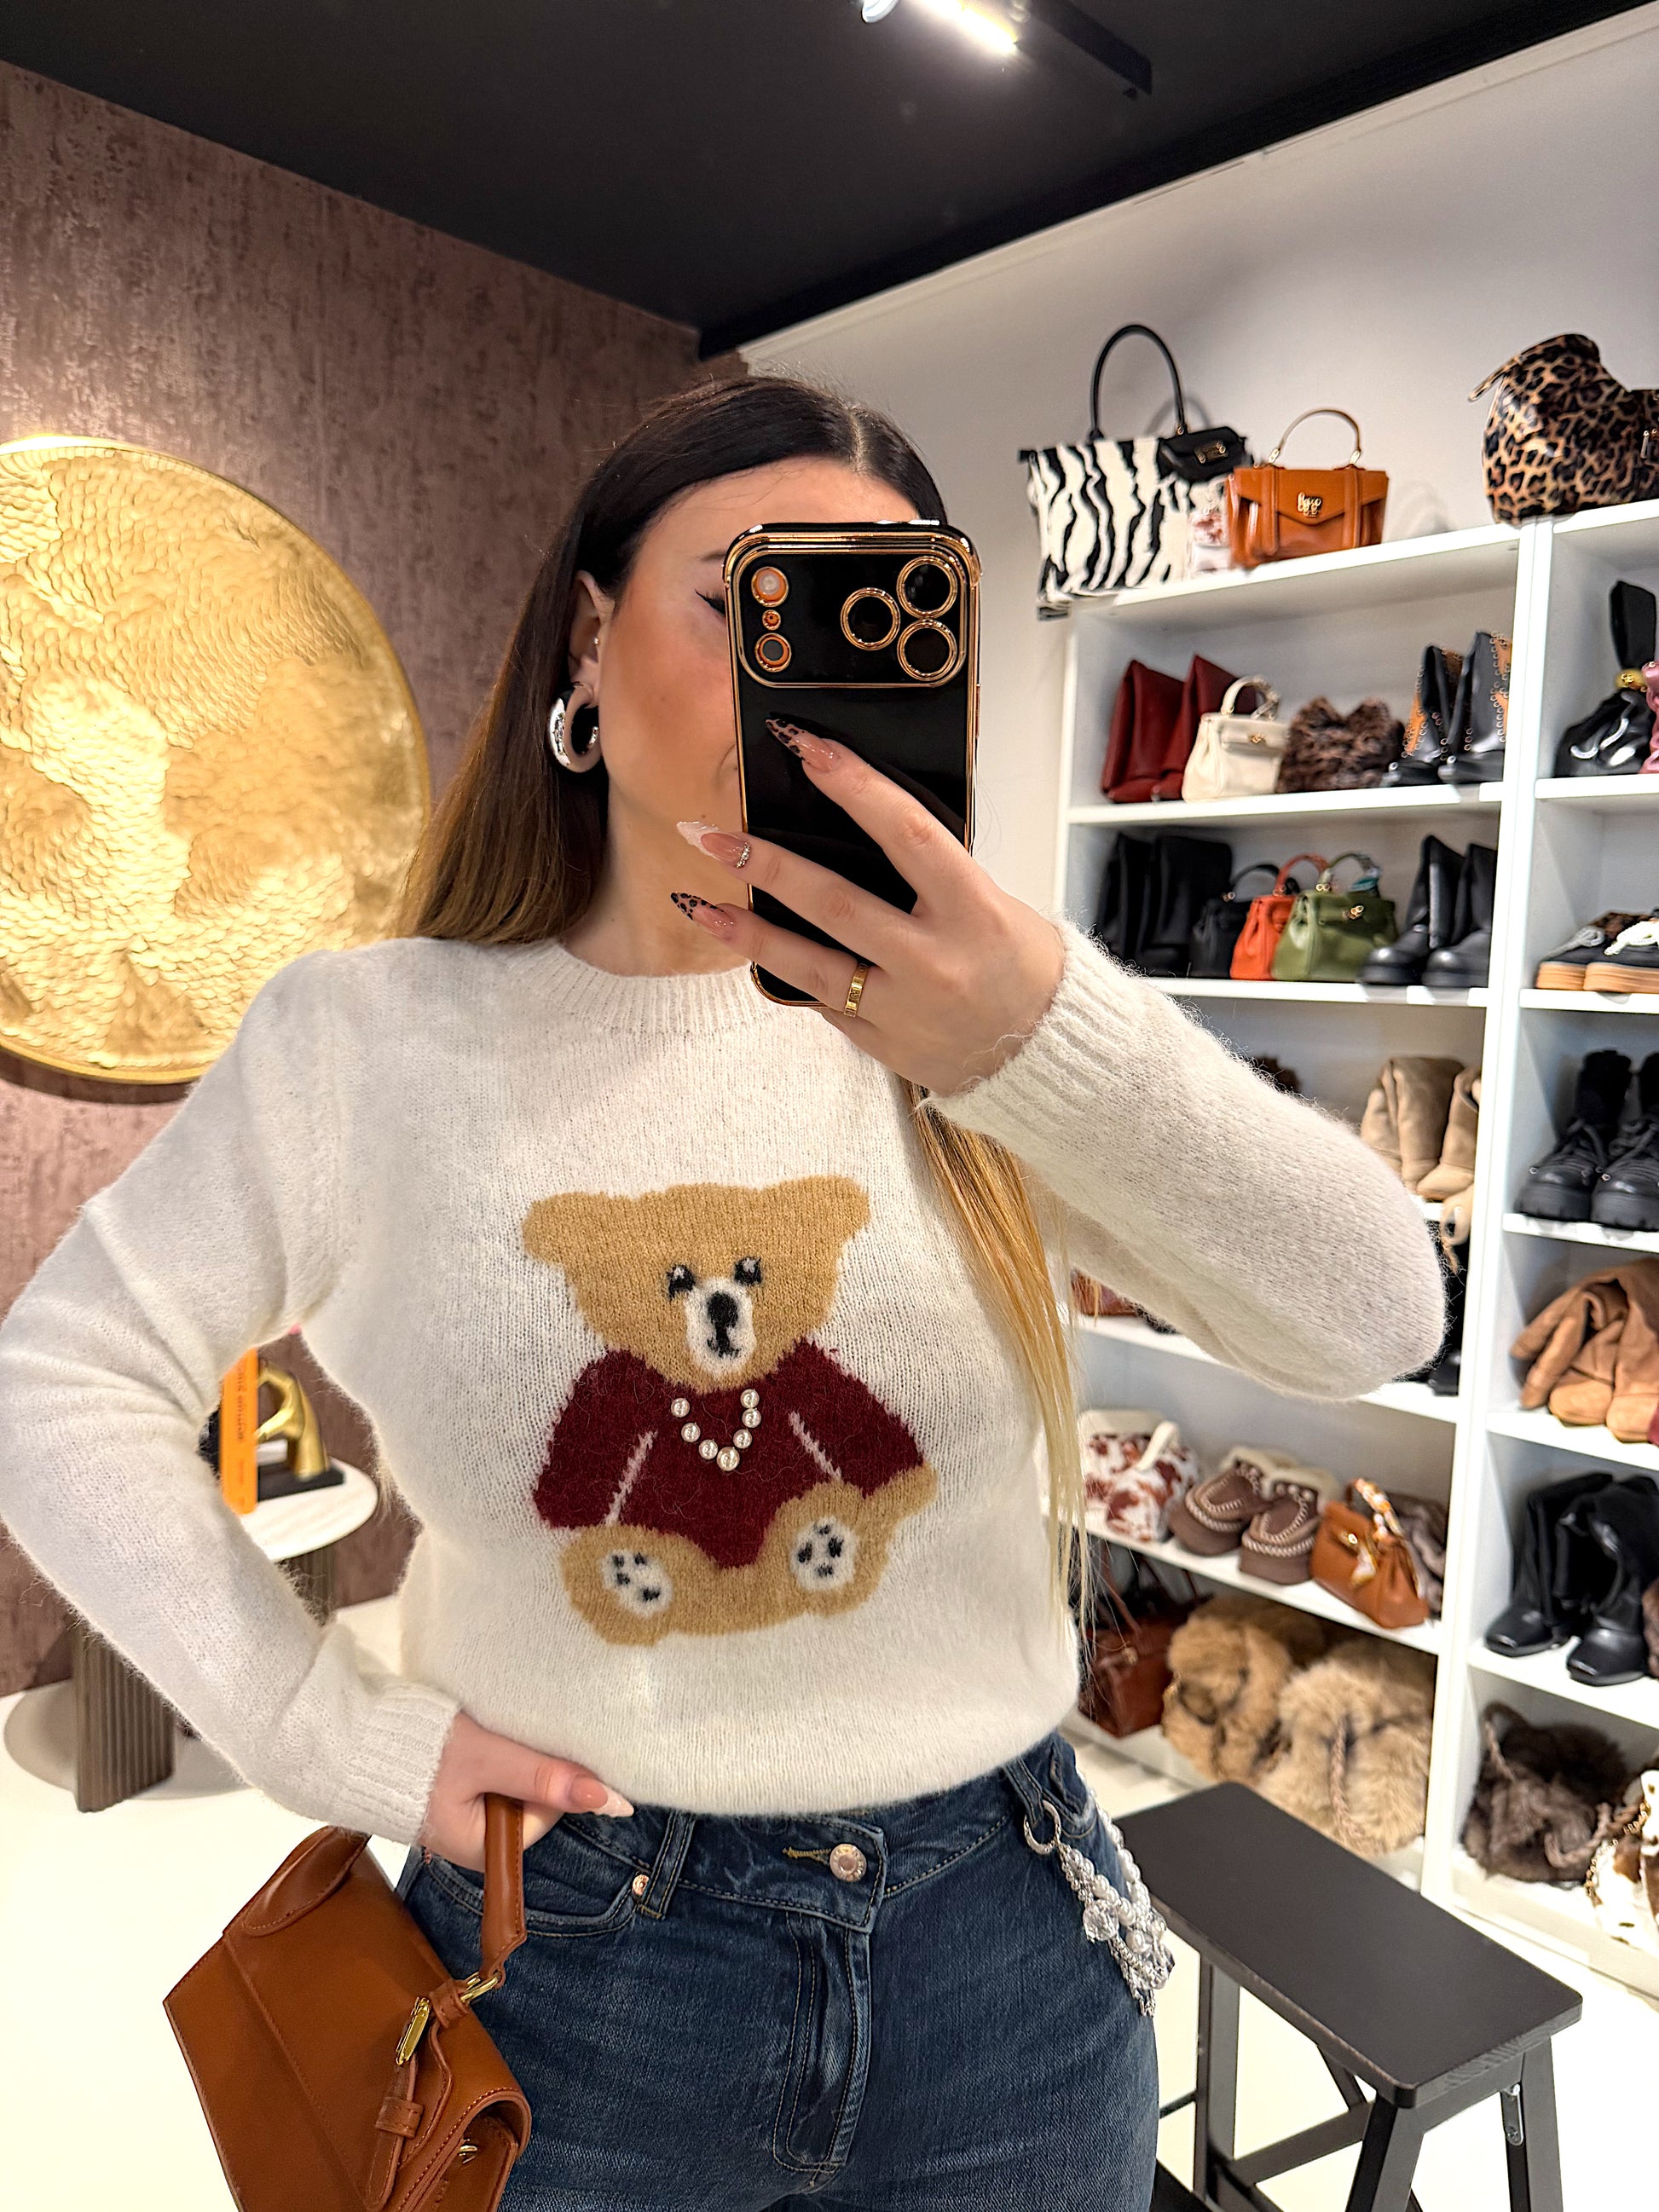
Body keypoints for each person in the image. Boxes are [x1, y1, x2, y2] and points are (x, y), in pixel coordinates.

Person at [0, 376, 1444, 2209]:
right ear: (587, 642)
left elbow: (1377, 1313)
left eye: (883, 618)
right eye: (754, 601)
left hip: (1003, 1951)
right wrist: (328, 1731)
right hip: (568, 1960)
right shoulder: (368, 1045)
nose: (806, 686)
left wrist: (1034, 1034)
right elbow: (59, 1377)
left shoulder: (982, 1031)